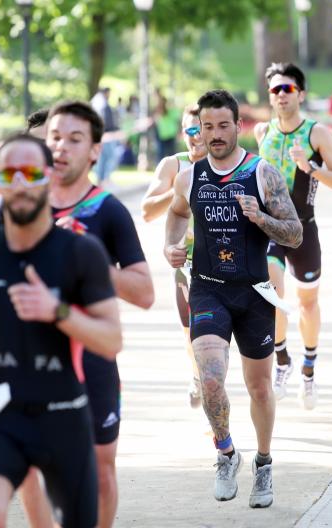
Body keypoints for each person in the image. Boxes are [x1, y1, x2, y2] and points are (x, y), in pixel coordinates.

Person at [0, 133, 122, 528]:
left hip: (64, 417)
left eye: (29, 173)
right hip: (1, 415)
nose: (19, 184)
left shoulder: (79, 253)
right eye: (8, 174)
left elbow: (112, 339)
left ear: (47, 178)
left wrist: (56, 311)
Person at [18, 100, 155, 528]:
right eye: (55, 137)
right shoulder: (19, 204)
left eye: (75, 139)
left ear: (95, 150)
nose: (61, 147)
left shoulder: (107, 211)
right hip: (33, 360)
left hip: (93, 357)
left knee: (99, 471)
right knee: (31, 470)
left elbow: (145, 293)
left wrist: (90, 256)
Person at [164, 89, 302, 508]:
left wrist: (259, 217)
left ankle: (262, 464)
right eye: (208, 127)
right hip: (207, 288)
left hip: (254, 293)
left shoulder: (263, 173)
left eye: (224, 125)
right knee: (209, 377)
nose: (216, 134)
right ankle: (225, 452)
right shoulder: (188, 177)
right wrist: (171, 249)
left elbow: (294, 232)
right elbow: (175, 212)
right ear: (199, 130)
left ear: (238, 126)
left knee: (259, 388)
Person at [254, 62, 332, 409]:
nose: (281, 95)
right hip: (270, 227)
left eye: (288, 89)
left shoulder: (316, 134)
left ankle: (308, 369)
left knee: (307, 304)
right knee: (271, 293)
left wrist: (311, 167)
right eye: (275, 90)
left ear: (301, 94)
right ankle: (282, 361)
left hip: (304, 229)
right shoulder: (263, 133)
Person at [141, 104, 207, 408]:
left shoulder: (226, 164)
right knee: (192, 333)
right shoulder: (173, 165)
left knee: (214, 337)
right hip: (186, 266)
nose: (196, 136)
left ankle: (209, 385)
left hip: (222, 262)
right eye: (189, 130)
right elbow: (147, 211)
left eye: (201, 128)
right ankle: (199, 377)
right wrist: (181, 188)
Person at [0, 108, 48, 235]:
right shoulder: (9, 182)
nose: (39, 149)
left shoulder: (80, 194)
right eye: (33, 142)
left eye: (46, 143)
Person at [91, 87, 121, 184]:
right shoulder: (102, 103)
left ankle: (101, 179)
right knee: (109, 157)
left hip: (101, 134)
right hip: (106, 135)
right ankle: (105, 178)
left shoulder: (96, 102)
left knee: (102, 158)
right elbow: (105, 120)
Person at [153, 91, 181, 163]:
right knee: (161, 155)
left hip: (171, 135)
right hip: (162, 136)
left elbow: (178, 121)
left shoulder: (172, 111)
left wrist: (178, 132)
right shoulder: (159, 111)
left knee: (172, 155)